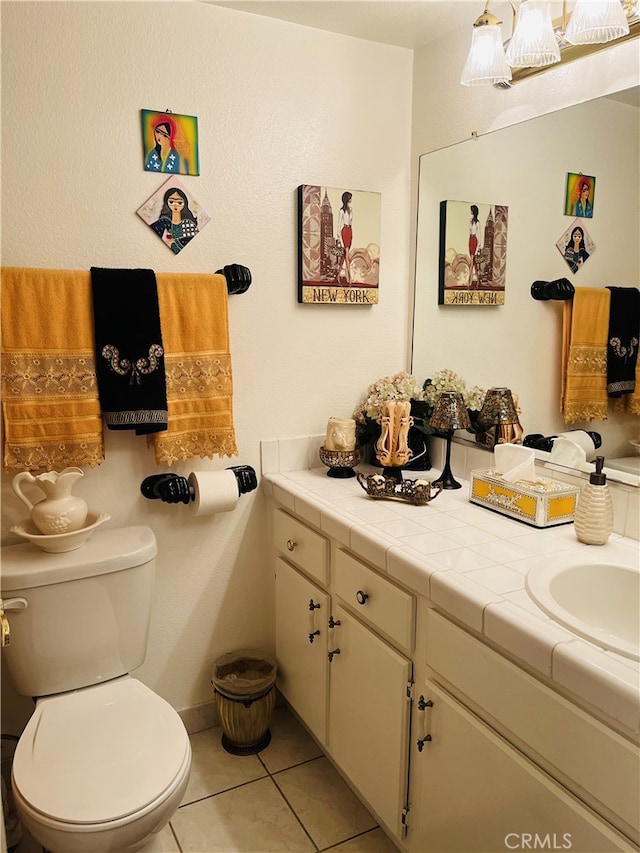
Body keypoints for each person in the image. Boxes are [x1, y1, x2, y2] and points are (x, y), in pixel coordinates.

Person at [150, 187, 198, 253]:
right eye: (171, 202)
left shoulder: (188, 224)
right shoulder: (164, 222)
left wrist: (173, 244)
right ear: (166, 203)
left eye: (179, 203)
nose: (175, 205)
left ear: (185, 203)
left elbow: (188, 250)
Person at [337, 191, 353, 284]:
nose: (351, 199)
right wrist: (339, 238)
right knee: (347, 255)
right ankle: (349, 278)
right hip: (344, 232)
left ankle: (338, 276)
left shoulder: (351, 209)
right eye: (350, 197)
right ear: (347, 199)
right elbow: (339, 225)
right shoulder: (341, 211)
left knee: (344, 256)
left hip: (350, 231)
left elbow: (351, 222)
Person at [468, 204, 480, 287]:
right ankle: (477, 281)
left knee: (472, 261)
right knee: (474, 262)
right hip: (470, 239)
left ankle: (469, 281)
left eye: (471, 210)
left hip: (474, 240)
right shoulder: (470, 220)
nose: (470, 211)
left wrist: (478, 247)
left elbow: (478, 234)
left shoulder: (477, 222)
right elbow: (469, 230)